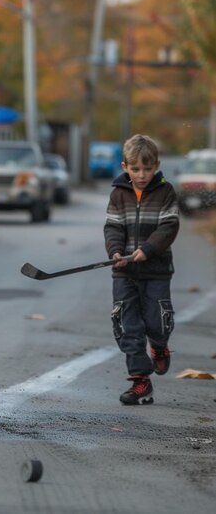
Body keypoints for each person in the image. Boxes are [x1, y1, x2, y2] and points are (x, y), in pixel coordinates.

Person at [103, 134, 179, 405]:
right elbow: (112, 227)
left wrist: (146, 250)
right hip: (124, 272)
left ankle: (159, 345)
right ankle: (140, 381)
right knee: (126, 324)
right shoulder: (118, 194)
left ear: (156, 165)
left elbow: (169, 227)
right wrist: (115, 252)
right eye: (136, 169)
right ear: (125, 167)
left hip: (156, 270)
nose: (142, 174)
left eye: (148, 168)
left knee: (156, 321)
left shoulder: (165, 191)